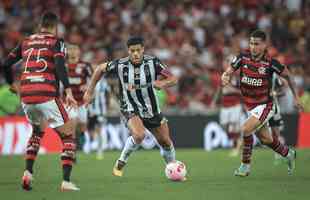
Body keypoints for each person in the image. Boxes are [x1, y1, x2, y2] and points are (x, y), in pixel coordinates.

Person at [84, 36, 181, 179]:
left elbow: (173, 78)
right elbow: (99, 69)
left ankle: (173, 169)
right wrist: (89, 91)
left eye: (138, 50)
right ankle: (121, 161)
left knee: (165, 142)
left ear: (143, 50)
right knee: (139, 135)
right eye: (132, 51)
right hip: (129, 107)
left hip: (151, 109)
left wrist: (163, 83)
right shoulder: (120, 64)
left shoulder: (153, 63)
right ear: (128, 51)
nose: (135, 54)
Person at [2, 12, 79, 191]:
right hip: (46, 94)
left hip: (27, 96)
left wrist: (11, 84)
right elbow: (60, 66)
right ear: (55, 26)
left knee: (37, 133)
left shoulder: (26, 41)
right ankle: (66, 182)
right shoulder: (56, 42)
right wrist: (68, 91)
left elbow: (6, 64)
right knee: (68, 136)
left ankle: (28, 173)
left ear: (40, 25)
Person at [221, 30, 303, 177]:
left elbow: (289, 76)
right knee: (266, 139)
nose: (253, 47)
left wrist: (296, 97)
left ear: (264, 45)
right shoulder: (242, 57)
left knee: (245, 129)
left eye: (257, 44)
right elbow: (228, 71)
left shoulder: (271, 63)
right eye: (251, 43)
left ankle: (245, 167)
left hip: (265, 105)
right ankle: (288, 153)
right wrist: (225, 76)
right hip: (250, 106)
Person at [65, 44, 92, 151]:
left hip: (82, 102)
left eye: (75, 49)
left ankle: (80, 142)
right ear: (67, 51)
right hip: (69, 102)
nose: (72, 51)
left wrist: (87, 87)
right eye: (70, 49)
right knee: (72, 125)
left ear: (79, 51)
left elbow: (93, 80)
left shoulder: (85, 66)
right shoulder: (63, 65)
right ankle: (72, 149)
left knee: (82, 126)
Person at [86, 76, 110, 160]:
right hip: (91, 110)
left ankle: (99, 150)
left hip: (101, 110)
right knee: (90, 129)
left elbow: (108, 94)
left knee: (98, 129)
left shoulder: (104, 82)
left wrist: (107, 106)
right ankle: (89, 144)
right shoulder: (90, 81)